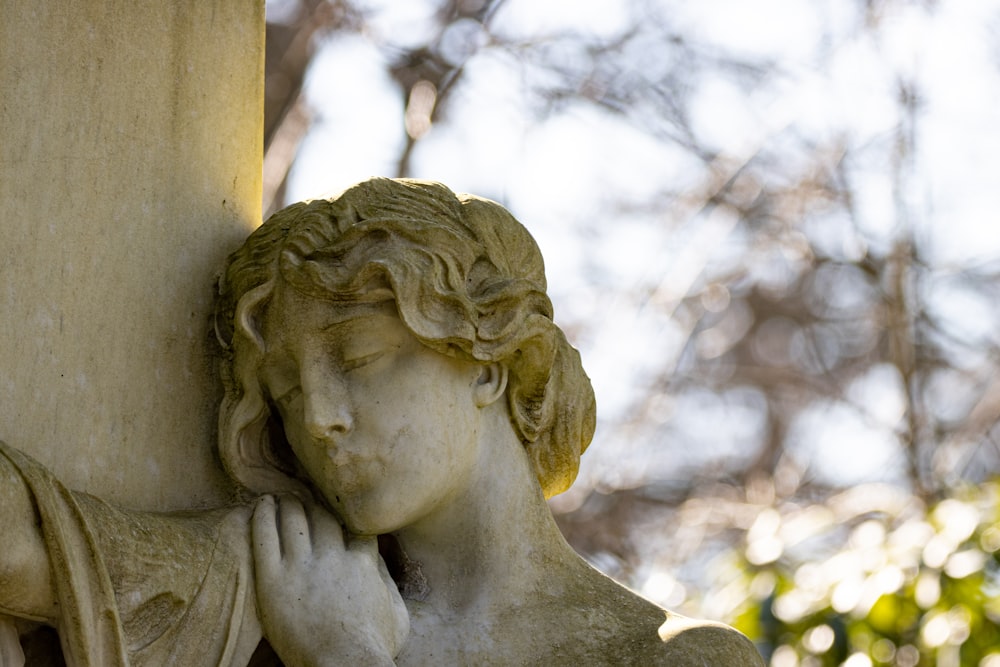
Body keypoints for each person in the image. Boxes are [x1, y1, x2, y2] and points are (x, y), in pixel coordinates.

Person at [216, 177, 765, 665]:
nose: (318, 418)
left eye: (360, 360)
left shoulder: (669, 657)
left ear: (488, 367)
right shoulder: (259, 618)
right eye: (287, 394)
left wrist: (340, 653)